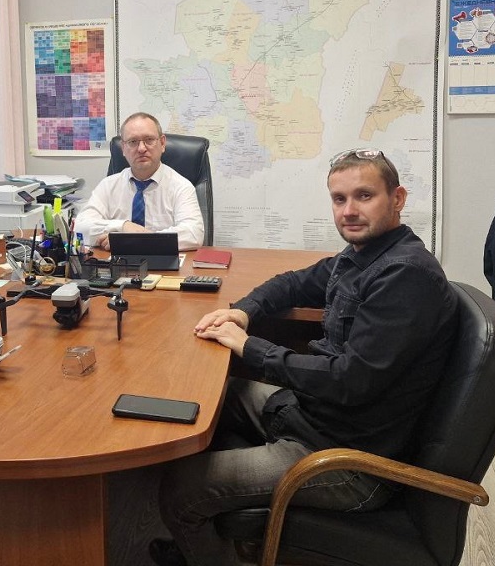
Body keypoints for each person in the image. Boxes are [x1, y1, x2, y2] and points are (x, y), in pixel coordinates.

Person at [149, 149, 458, 566]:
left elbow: (348, 380)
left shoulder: (404, 275)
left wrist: (249, 346)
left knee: (180, 489)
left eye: (364, 196)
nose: (349, 211)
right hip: (314, 417)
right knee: (214, 397)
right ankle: (201, 541)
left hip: (347, 460)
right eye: (339, 199)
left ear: (397, 198)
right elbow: (293, 283)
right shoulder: (363, 255)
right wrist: (243, 312)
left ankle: (202, 544)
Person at [76, 112, 204, 250]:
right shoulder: (108, 186)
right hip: (117, 262)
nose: (142, 148)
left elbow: (194, 234)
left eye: (149, 140)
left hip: (162, 262)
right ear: (123, 148)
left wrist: (132, 241)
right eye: (133, 142)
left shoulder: (181, 186)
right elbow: (79, 228)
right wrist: (123, 226)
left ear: (162, 143)